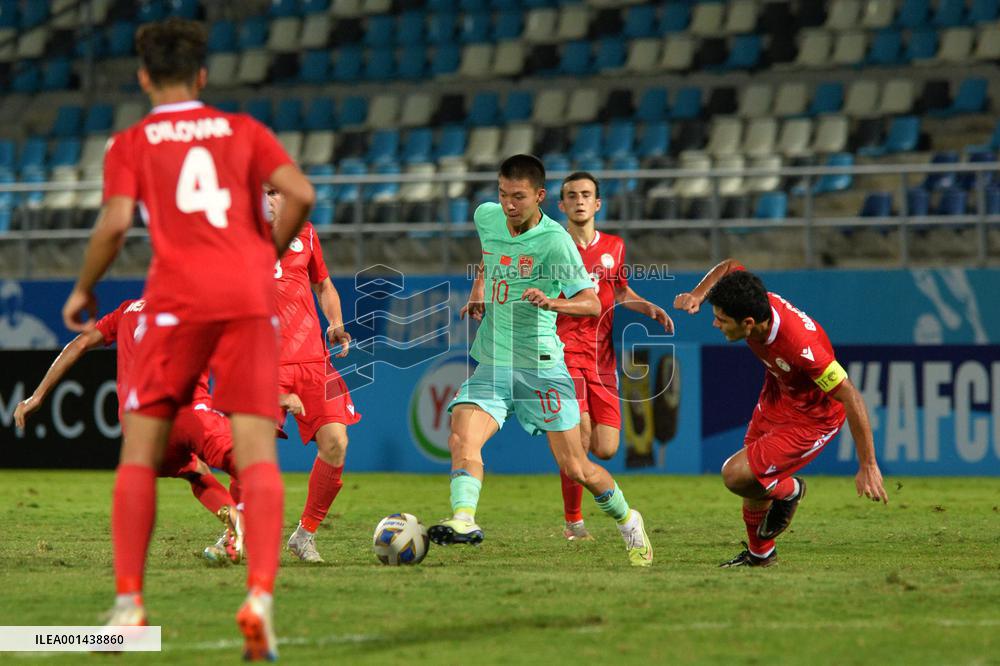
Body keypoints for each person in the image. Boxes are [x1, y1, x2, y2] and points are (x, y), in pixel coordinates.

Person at [60, 18, 314, 661]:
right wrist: (267, 255)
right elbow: (301, 192)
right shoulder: (243, 130)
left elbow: (115, 224)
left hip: (176, 302)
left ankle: (128, 604)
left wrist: (83, 288)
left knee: (140, 456)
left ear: (144, 77)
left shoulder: (132, 142)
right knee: (256, 455)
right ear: (204, 75)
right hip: (246, 302)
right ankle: (259, 597)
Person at [429, 154, 653, 567]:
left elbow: (590, 302)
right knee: (462, 438)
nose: (508, 205)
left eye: (518, 197)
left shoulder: (556, 242)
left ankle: (628, 520)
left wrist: (552, 301)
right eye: (502, 194)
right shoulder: (487, 217)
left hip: (543, 367)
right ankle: (463, 520)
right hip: (493, 363)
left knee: (578, 467)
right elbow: (490, 254)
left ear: (540, 197)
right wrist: (480, 285)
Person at [673, 260, 888, 567]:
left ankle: (790, 491)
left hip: (813, 419)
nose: (715, 324)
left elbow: (850, 395)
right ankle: (761, 556)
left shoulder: (801, 346)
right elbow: (730, 266)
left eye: (721, 319)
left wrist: (868, 464)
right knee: (752, 479)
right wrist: (698, 295)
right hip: (779, 395)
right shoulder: (755, 304)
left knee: (737, 475)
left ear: (748, 323)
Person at [15, 298, 247, 563]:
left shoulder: (127, 310)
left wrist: (37, 396)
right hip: (188, 415)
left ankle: (235, 525)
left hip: (140, 434)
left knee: (196, 472)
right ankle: (253, 529)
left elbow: (78, 344)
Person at [554, 172, 674, 541]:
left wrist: (646, 307)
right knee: (580, 437)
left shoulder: (615, 247)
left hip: (603, 360)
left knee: (605, 448)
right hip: (563, 354)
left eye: (586, 194)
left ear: (597, 204)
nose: (579, 200)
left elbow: (620, 291)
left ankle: (574, 477)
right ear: (561, 205)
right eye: (571, 195)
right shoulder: (551, 246)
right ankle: (574, 522)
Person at [264, 186, 359, 563]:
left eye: (275, 192)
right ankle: (233, 531)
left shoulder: (305, 232)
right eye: (261, 192)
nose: (269, 199)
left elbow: (323, 284)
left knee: (336, 442)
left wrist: (335, 322)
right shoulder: (235, 237)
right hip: (262, 362)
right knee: (251, 451)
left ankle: (305, 535)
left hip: (313, 360)